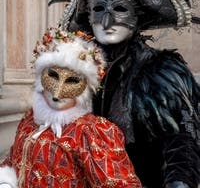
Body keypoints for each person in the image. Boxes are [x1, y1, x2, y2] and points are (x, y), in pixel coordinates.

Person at [51, 0, 200, 188]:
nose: (107, 22)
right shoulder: (74, 71)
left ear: (137, 16)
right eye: (98, 9)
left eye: (119, 8)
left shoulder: (162, 73)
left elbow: (182, 144)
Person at [0, 27, 142, 188]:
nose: (58, 92)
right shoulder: (30, 121)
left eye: (72, 81)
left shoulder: (91, 131)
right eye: (52, 76)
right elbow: (13, 161)